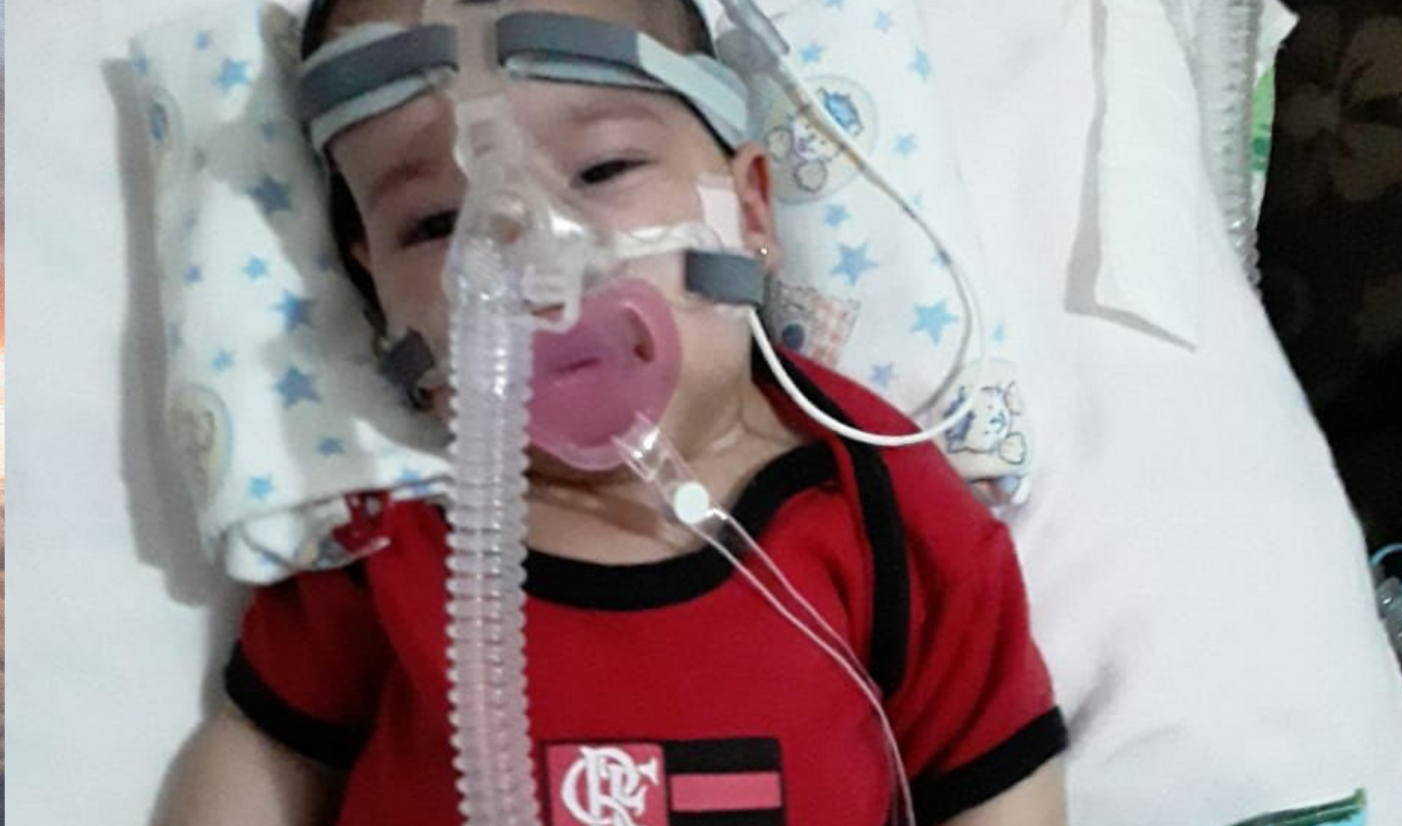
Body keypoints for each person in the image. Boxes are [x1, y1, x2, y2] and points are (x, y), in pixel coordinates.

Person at [157, 1, 1067, 824]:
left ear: (749, 211)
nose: (526, 253)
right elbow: (267, 753)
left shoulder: (881, 508)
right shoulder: (384, 529)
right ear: (377, 294)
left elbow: (997, 780)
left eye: (603, 168)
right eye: (433, 223)